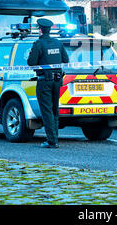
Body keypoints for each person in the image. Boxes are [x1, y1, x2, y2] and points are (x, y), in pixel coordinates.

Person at [27, 18, 69, 148]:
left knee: (47, 111)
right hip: (57, 80)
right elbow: (65, 59)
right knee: (54, 110)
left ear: (40, 29)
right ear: (50, 29)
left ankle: (51, 141)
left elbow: (31, 62)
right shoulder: (58, 43)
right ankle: (54, 138)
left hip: (44, 81)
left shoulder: (38, 44)